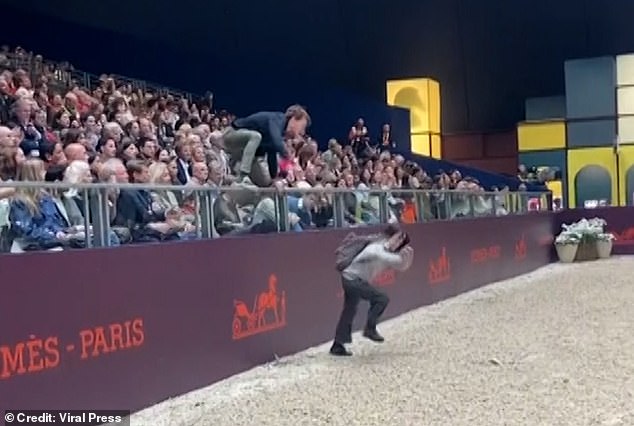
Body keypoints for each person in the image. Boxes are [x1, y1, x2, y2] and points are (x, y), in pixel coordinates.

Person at [330, 225, 414, 356]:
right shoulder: (377, 247)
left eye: (400, 242)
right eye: (396, 238)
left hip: (353, 280)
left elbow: (399, 266)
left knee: (349, 311)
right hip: (352, 279)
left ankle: (337, 345)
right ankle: (370, 329)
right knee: (381, 299)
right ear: (389, 236)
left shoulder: (388, 252)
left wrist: (405, 262)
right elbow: (384, 257)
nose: (397, 242)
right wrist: (402, 259)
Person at [223, 105, 310, 186]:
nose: (302, 132)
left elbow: (271, 153)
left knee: (266, 182)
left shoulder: (280, 134)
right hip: (232, 136)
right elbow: (276, 141)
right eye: (302, 127)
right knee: (256, 136)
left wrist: (274, 178)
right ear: (294, 119)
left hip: (248, 154)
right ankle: (242, 175)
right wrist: (286, 154)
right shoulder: (278, 119)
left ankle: (229, 180)